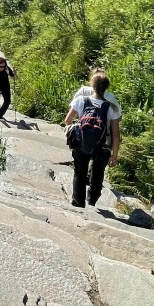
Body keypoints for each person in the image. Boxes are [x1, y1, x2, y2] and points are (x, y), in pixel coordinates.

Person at [64, 69, 121, 208]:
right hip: (102, 145)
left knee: (79, 172)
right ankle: (92, 200)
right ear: (107, 87)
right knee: (98, 173)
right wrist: (114, 155)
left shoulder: (81, 100)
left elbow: (67, 120)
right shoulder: (111, 107)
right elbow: (115, 134)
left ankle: (78, 202)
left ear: (92, 85)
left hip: (81, 142)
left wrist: (76, 128)